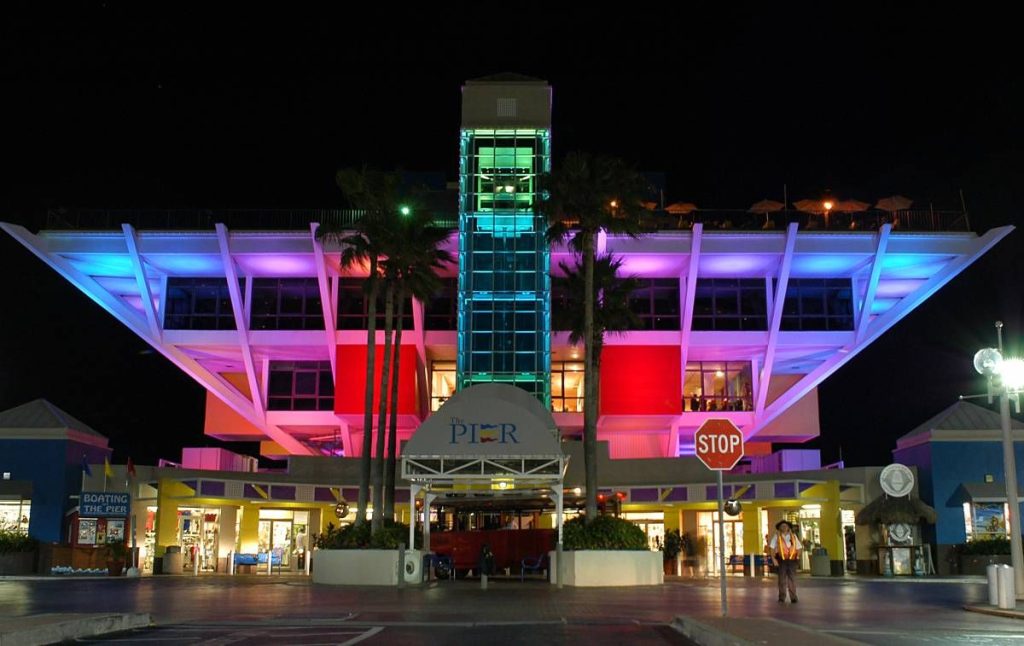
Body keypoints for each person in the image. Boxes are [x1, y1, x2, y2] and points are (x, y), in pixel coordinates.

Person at [768, 520, 802, 603]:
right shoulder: (776, 537)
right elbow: (772, 548)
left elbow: (799, 548)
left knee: (792, 579)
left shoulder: (793, 536)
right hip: (781, 561)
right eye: (782, 526)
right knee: (782, 579)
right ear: (779, 528)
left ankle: (793, 597)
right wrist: (774, 559)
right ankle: (782, 597)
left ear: (788, 528)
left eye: (785, 526)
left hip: (792, 561)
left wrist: (797, 557)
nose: (784, 527)